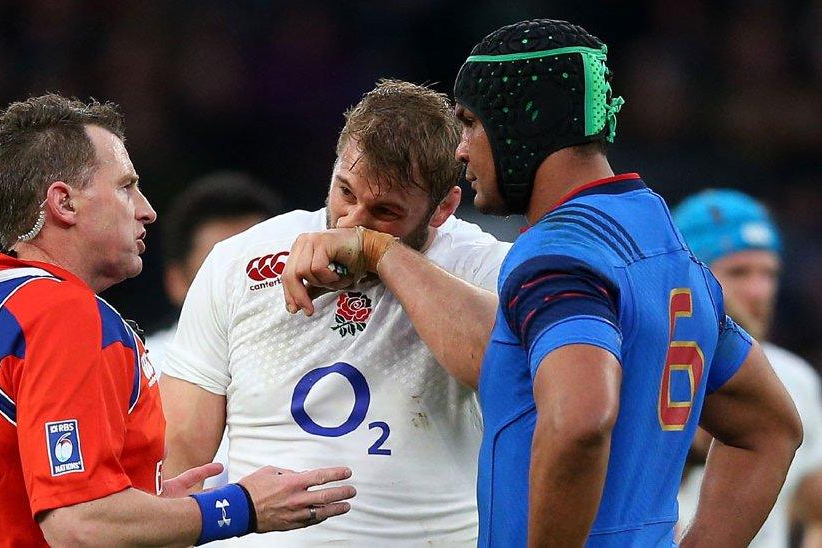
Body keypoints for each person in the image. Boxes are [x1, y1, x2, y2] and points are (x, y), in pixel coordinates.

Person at [281, 19, 802, 547]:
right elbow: (770, 427)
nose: (461, 151)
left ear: (522, 127)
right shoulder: (667, 249)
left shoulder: (557, 254)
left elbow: (580, 421)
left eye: (470, 124)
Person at [0, 94, 354, 547]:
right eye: (125, 187)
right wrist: (241, 506)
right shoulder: (63, 314)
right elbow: (78, 524)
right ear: (64, 203)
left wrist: (157, 509)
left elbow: (1, 496)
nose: (146, 210)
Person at [161, 79, 511, 546]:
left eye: (385, 211)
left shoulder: (485, 266)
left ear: (443, 207)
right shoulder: (238, 262)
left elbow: (497, 368)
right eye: (346, 193)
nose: (352, 222)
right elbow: (182, 447)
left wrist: (380, 252)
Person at [673, 189, 822, 547]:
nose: (759, 291)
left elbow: (816, 509)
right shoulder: (638, 370)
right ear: (692, 275)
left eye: (768, 274)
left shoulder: (792, 377)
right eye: (738, 271)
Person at [149, 172, 282, 490]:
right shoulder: (140, 370)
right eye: (219, 273)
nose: (246, 290)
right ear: (177, 281)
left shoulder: (326, 353)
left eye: (259, 268)